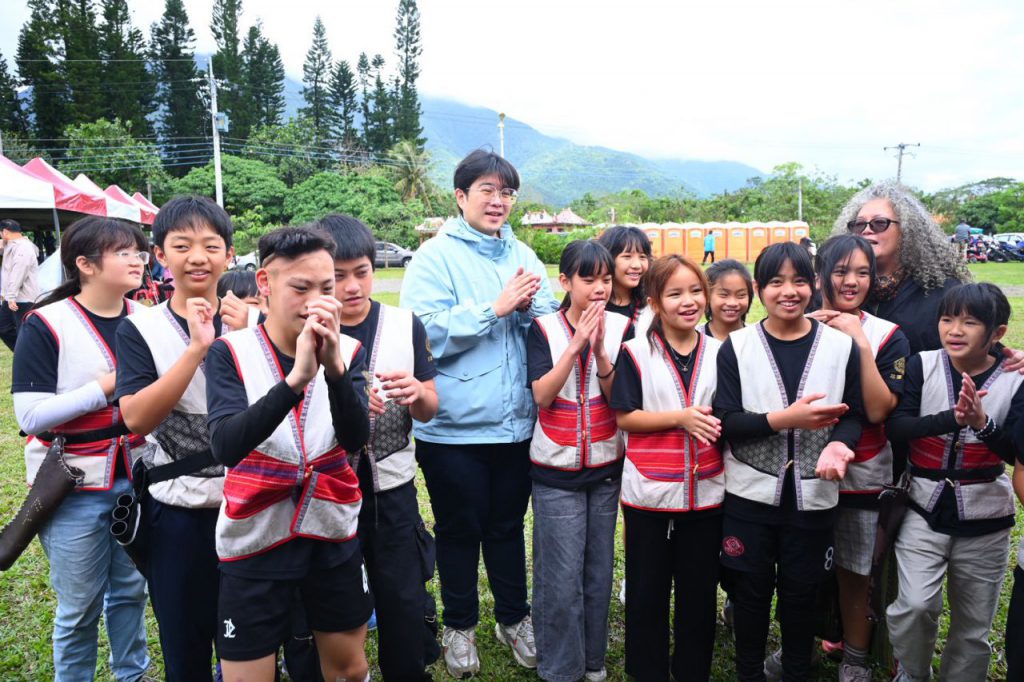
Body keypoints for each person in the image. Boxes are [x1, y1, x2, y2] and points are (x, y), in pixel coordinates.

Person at [400, 149, 559, 677]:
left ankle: (514, 619)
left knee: (509, 526)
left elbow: (550, 317)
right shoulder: (434, 257)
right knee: (459, 529)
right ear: (460, 196)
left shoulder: (522, 254)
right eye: (486, 190)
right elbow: (421, 334)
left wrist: (538, 311)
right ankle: (460, 625)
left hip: (516, 425)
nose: (498, 201)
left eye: (506, 192)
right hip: (453, 431)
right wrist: (496, 308)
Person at [204, 226, 372, 682]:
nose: (315, 302)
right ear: (265, 284)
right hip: (254, 539)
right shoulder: (229, 352)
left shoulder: (350, 350)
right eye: (300, 288)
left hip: (331, 532)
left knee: (348, 670)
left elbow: (356, 437)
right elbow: (226, 445)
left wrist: (335, 370)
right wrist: (295, 379)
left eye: (326, 288)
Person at [714, 242, 864, 682]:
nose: (789, 291)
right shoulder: (737, 347)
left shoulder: (839, 347)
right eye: (776, 282)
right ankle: (749, 673)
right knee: (751, 593)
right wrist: (785, 419)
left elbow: (853, 413)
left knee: (803, 595)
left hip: (814, 497)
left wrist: (840, 446)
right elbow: (726, 421)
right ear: (759, 288)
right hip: (750, 497)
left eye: (800, 281)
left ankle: (798, 670)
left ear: (815, 285)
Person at [12, 217, 151, 681]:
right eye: (125, 252)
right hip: (73, 486)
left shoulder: (146, 318)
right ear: (85, 264)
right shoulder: (46, 323)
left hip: (136, 479)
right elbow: (30, 417)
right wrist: (107, 387)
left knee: (131, 592)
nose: (138, 259)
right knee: (79, 607)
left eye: (139, 251)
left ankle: (131, 674)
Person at [114, 196, 235, 681]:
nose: (198, 257)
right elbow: (136, 418)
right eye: (182, 245)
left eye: (211, 245)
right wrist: (197, 349)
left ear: (229, 253)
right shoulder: (140, 329)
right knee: (185, 648)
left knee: (252, 643)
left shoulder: (259, 323)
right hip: (178, 514)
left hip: (253, 509)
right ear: (160, 256)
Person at [317, 213, 440, 681]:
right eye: (337, 277)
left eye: (361, 272)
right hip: (328, 492)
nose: (350, 287)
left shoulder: (404, 325)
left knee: (402, 597)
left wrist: (417, 392)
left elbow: (430, 408)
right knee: (334, 601)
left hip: (392, 489)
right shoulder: (306, 329)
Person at [885, 283, 1023, 682]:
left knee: (975, 622)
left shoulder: (1015, 377)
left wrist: (982, 424)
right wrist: (953, 419)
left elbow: (1016, 451)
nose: (955, 330)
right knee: (913, 605)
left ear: (997, 333)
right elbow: (898, 427)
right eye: (947, 319)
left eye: (970, 322)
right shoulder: (921, 365)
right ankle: (913, 671)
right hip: (922, 504)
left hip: (986, 512)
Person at [612, 255, 725, 681]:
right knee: (646, 593)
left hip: (707, 492)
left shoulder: (721, 352)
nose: (689, 301)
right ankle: (648, 673)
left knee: (699, 594)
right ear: (654, 301)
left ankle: (692, 672)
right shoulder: (635, 353)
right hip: (649, 494)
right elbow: (625, 417)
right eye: (675, 293)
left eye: (696, 290)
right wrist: (680, 417)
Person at [806, 235, 910, 682]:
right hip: (801, 467)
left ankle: (854, 658)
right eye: (841, 271)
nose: (851, 281)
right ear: (820, 275)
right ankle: (799, 647)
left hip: (864, 470)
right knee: (799, 563)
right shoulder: (795, 323)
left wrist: (860, 343)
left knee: (855, 568)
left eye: (863, 272)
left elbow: (880, 409)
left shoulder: (887, 335)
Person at [527, 240, 631, 682]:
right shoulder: (544, 329)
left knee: (597, 571)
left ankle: (593, 661)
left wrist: (603, 351)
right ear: (565, 282)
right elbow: (542, 395)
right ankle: (559, 668)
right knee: (560, 576)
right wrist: (576, 345)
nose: (600, 288)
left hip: (606, 467)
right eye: (588, 279)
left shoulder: (626, 328)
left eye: (606, 279)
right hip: (555, 472)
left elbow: (621, 401)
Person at [597, 225, 652, 335]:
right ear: (607, 259)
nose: (637, 265)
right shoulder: (593, 303)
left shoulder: (652, 305)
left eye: (642, 257)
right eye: (627, 256)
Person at [0, 218, 40, 351]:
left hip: (23, 298)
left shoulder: (24, 247)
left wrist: (10, 295)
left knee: (23, 331)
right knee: (3, 328)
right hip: (10, 297)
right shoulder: (10, 244)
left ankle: (28, 355)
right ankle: (22, 352)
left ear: (5, 232)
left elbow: (19, 273)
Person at [699, 258, 753, 342]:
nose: (732, 303)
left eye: (741, 295)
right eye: (724, 295)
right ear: (707, 296)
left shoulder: (757, 337)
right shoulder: (693, 338)